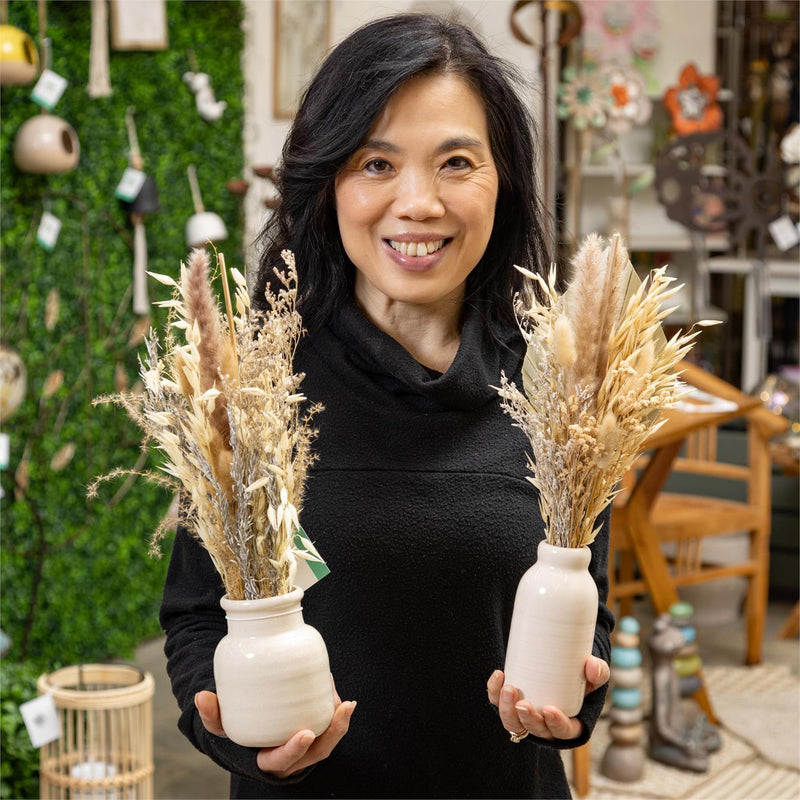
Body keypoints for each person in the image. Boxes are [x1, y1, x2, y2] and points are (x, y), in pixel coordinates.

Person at [160, 13, 613, 799]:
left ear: (502, 182)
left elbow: (591, 609)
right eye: (377, 162)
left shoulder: (558, 390)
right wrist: (230, 730)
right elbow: (199, 617)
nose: (418, 203)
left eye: (457, 162)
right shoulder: (253, 398)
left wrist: (578, 701)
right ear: (327, 178)